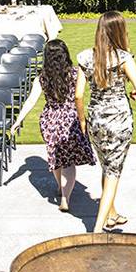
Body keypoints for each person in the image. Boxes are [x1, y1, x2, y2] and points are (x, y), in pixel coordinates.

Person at [75, 11, 136, 233]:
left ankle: (112, 214)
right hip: (119, 122)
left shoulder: (85, 57)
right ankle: (98, 227)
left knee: (107, 166)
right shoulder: (123, 58)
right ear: (119, 31)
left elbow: (79, 95)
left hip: (96, 120)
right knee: (113, 171)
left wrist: (81, 121)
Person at [12, 39, 95, 213]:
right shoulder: (76, 73)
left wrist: (18, 121)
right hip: (70, 120)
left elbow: (31, 101)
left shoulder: (42, 78)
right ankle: (65, 197)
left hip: (50, 120)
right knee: (69, 161)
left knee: (56, 158)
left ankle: (60, 187)